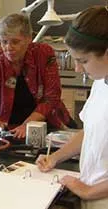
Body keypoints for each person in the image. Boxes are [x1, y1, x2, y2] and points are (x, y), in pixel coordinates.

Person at [36, 5, 108, 209]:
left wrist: (87, 190)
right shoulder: (101, 82)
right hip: (89, 193)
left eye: (83, 60)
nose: (78, 69)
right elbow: (90, 132)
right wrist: (55, 158)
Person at [0, 13, 76, 139]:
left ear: (29, 38)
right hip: (9, 131)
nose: (8, 48)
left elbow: (51, 98)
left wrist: (27, 125)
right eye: (4, 42)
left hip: (50, 125)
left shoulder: (44, 54)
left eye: (15, 42)